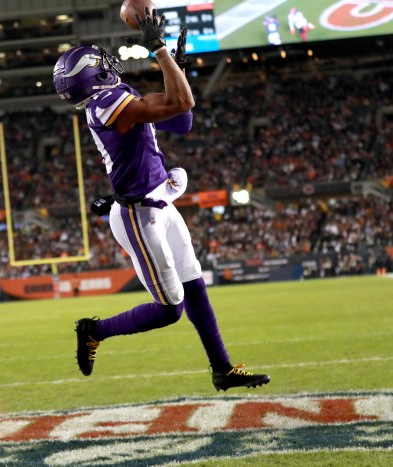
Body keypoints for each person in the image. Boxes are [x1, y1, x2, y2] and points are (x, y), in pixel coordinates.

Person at [52, 8, 270, 391]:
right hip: (139, 215)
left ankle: (222, 369)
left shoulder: (115, 98)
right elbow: (182, 105)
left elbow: (181, 121)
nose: (109, 63)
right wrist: (160, 50)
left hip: (159, 202)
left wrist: (176, 68)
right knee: (170, 309)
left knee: (195, 285)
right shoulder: (105, 104)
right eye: (100, 63)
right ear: (93, 73)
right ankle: (93, 330)